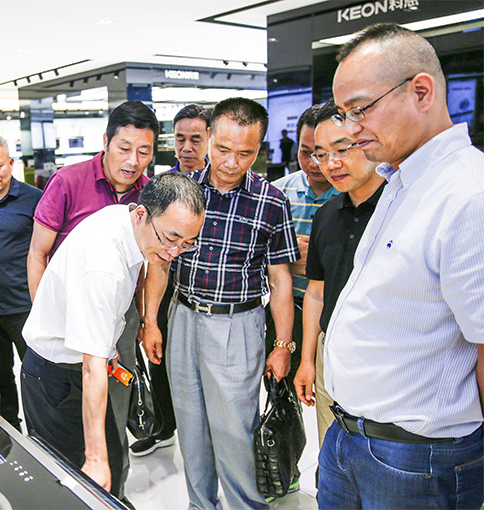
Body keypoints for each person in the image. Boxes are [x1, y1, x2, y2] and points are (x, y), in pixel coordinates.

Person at [319, 23, 484, 509]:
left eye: (360, 109)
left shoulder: (468, 194)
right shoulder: (400, 180)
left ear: (421, 91)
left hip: (416, 457)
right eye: (344, 114)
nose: (351, 128)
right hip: (351, 435)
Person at [142, 98, 300, 509]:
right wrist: (151, 321)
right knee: (190, 423)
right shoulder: (181, 191)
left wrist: (283, 345)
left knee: (234, 429)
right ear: (209, 136)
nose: (231, 162)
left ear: (260, 147)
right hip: (183, 315)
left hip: (238, 324)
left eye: (245, 153)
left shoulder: (270, 201)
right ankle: (200, 504)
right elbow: (159, 262)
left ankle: (245, 504)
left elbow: (280, 279)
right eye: (223, 149)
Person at [21, 172, 206, 498]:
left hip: (88, 363)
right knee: (71, 484)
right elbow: (90, 367)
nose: (175, 252)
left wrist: (116, 342)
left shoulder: (127, 221)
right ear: (142, 214)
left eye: (187, 243)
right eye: (170, 238)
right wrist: (95, 459)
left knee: (113, 464)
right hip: (56, 378)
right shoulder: (102, 264)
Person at [26, 100, 158, 496]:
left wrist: (146, 320)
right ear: (105, 142)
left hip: (120, 315)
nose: (133, 161)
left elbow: (152, 265)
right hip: (69, 314)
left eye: (144, 151)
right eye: (124, 148)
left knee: (113, 409)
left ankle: (111, 488)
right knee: (70, 409)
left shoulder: (150, 194)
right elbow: (38, 254)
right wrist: (50, 318)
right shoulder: (68, 181)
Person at [292, 100, 384, 447]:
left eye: (342, 149)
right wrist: (307, 360)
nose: (331, 164)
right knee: (331, 451)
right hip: (330, 352)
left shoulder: (400, 207)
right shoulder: (326, 215)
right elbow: (317, 291)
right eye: (320, 154)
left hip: (384, 358)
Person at [263, 104, 339, 475]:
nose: (313, 163)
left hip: (333, 314)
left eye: (322, 153)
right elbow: (263, 257)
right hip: (285, 309)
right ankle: (284, 469)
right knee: (281, 394)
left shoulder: (351, 196)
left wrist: (313, 257)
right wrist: (290, 255)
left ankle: (332, 473)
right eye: (306, 152)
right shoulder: (279, 193)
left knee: (331, 401)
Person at [130, 103, 210, 458]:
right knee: (158, 360)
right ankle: (163, 426)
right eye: (180, 139)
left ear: (210, 139)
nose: (186, 147)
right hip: (165, 287)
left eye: (195, 139)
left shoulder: (218, 184)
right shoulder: (159, 187)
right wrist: (149, 317)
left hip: (209, 296)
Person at [0, 132, 42, 431]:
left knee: (37, 375)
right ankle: (9, 432)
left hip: (26, 306)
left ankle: (42, 434)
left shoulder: (33, 199)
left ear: (11, 163)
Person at [171, 104, 211, 174]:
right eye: (180, 140)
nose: (186, 148)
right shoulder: (159, 181)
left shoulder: (221, 180)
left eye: (195, 141)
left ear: (209, 137)